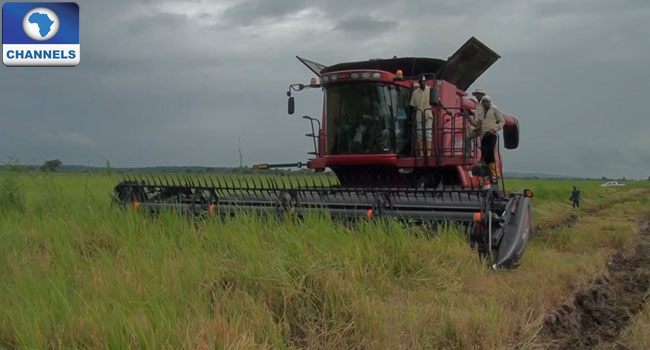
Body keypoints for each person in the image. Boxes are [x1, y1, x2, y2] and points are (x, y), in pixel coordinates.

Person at [478, 95, 504, 179]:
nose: (485, 103)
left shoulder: (494, 109)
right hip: (483, 134)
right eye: (483, 102)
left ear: (490, 102)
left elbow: (502, 121)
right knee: (484, 154)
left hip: (491, 134)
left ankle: (495, 174)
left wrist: (495, 129)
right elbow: (479, 123)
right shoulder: (481, 112)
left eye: (486, 101)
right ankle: (487, 174)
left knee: (490, 154)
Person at [409, 76, 433, 156]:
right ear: (419, 83)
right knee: (419, 134)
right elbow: (413, 106)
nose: (423, 83)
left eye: (424, 81)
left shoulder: (430, 90)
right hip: (419, 115)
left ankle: (428, 153)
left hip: (428, 114)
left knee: (428, 133)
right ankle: (421, 153)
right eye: (421, 82)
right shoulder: (415, 93)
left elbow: (437, 101)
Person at [465, 88, 487, 156]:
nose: (477, 96)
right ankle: (468, 153)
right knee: (467, 137)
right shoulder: (478, 104)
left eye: (478, 95)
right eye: (476, 95)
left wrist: (468, 116)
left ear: (481, 95)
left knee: (484, 142)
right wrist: (471, 112)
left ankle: (483, 158)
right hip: (479, 126)